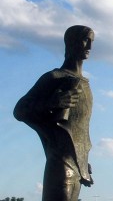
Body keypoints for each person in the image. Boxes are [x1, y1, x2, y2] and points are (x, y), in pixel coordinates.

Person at [14, 25, 96, 201]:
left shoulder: (85, 85)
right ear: (71, 42)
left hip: (77, 167)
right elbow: (20, 110)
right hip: (60, 164)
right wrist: (51, 103)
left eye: (91, 41)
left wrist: (82, 160)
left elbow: (78, 130)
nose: (89, 46)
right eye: (85, 40)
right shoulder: (55, 77)